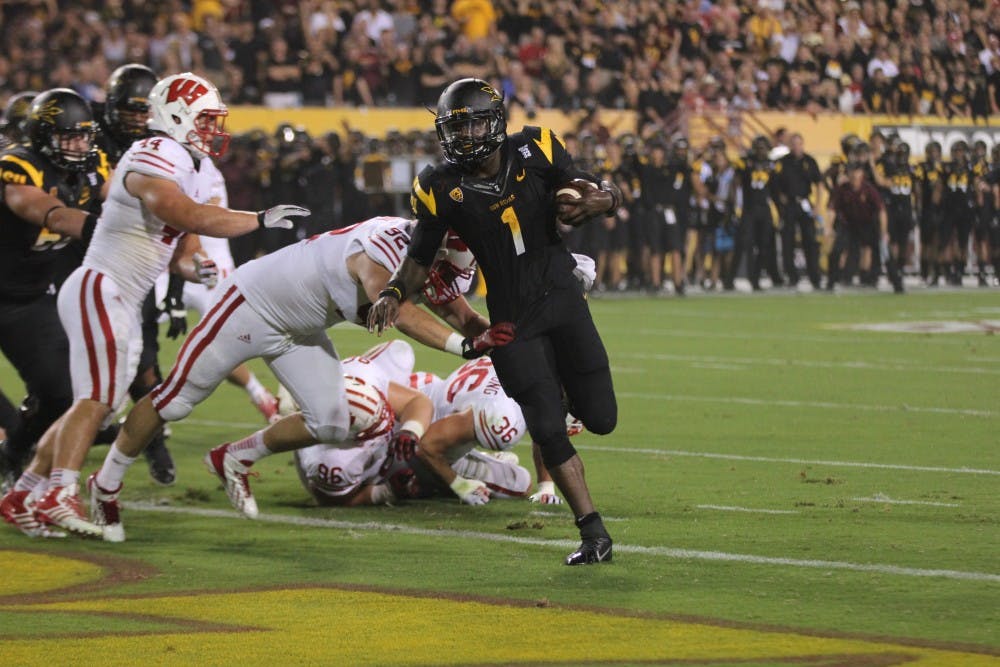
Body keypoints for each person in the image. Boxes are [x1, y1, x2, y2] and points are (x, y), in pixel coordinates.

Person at [5, 72, 309, 538]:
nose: (213, 130)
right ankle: (59, 492)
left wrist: (196, 268)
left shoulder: (187, 164)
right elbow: (180, 213)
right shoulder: (156, 151)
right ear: (177, 116)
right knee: (95, 400)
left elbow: (180, 246)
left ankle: (24, 492)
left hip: (123, 295)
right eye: (204, 120)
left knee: (98, 406)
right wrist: (259, 218)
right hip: (102, 285)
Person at [86, 215, 498, 542]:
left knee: (331, 422)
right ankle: (104, 485)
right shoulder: (383, 245)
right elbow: (399, 311)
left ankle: (234, 457)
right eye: (441, 270)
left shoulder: (423, 254)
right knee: (175, 400)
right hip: (251, 306)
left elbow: (461, 316)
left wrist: (502, 340)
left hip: (299, 330)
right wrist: (465, 347)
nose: (441, 283)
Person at [367, 78, 622, 566]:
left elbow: (597, 188)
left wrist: (601, 201)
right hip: (512, 320)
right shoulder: (440, 186)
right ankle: (593, 534)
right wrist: (394, 291)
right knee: (545, 426)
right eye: (455, 129)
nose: (465, 138)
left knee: (602, 419)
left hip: (563, 300)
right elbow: (419, 258)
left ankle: (563, 392)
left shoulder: (536, 148)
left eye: (473, 126)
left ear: (497, 121)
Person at [0, 89, 111, 511]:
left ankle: (14, 452)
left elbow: (123, 195)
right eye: (69, 137)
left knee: (61, 393)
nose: (80, 145)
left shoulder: (94, 168)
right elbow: (50, 213)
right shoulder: (19, 166)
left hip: (25, 299)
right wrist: (106, 228)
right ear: (43, 137)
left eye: (84, 136)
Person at [89, 62, 180, 485]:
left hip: (131, 267)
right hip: (84, 258)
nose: (140, 119)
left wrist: (175, 288)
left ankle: (154, 443)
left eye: (146, 111)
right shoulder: (90, 138)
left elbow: (181, 217)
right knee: (66, 374)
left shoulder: (163, 146)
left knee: (144, 368)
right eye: (131, 109)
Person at [825, 162, 889, 291]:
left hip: (867, 224)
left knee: (880, 250)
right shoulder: (842, 190)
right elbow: (832, 209)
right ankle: (832, 281)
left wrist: (884, 231)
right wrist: (829, 227)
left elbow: (881, 210)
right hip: (848, 225)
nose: (854, 175)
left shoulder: (869, 189)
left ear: (862, 174)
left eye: (857, 172)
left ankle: (888, 281)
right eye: (852, 172)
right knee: (836, 251)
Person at [773, 133, 822, 289]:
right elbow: (774, 183)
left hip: (805, 202)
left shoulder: (810, 161)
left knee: (810, 240)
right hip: (789, 205)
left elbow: (819, 183)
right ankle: (792, 277)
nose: (796, 147)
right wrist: (780, 198)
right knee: (788, 241)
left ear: (803, 144)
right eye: (793, 144)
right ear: (789, 146)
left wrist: (818, 205)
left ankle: (815, 277)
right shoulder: (783, 162)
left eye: (798, 143)